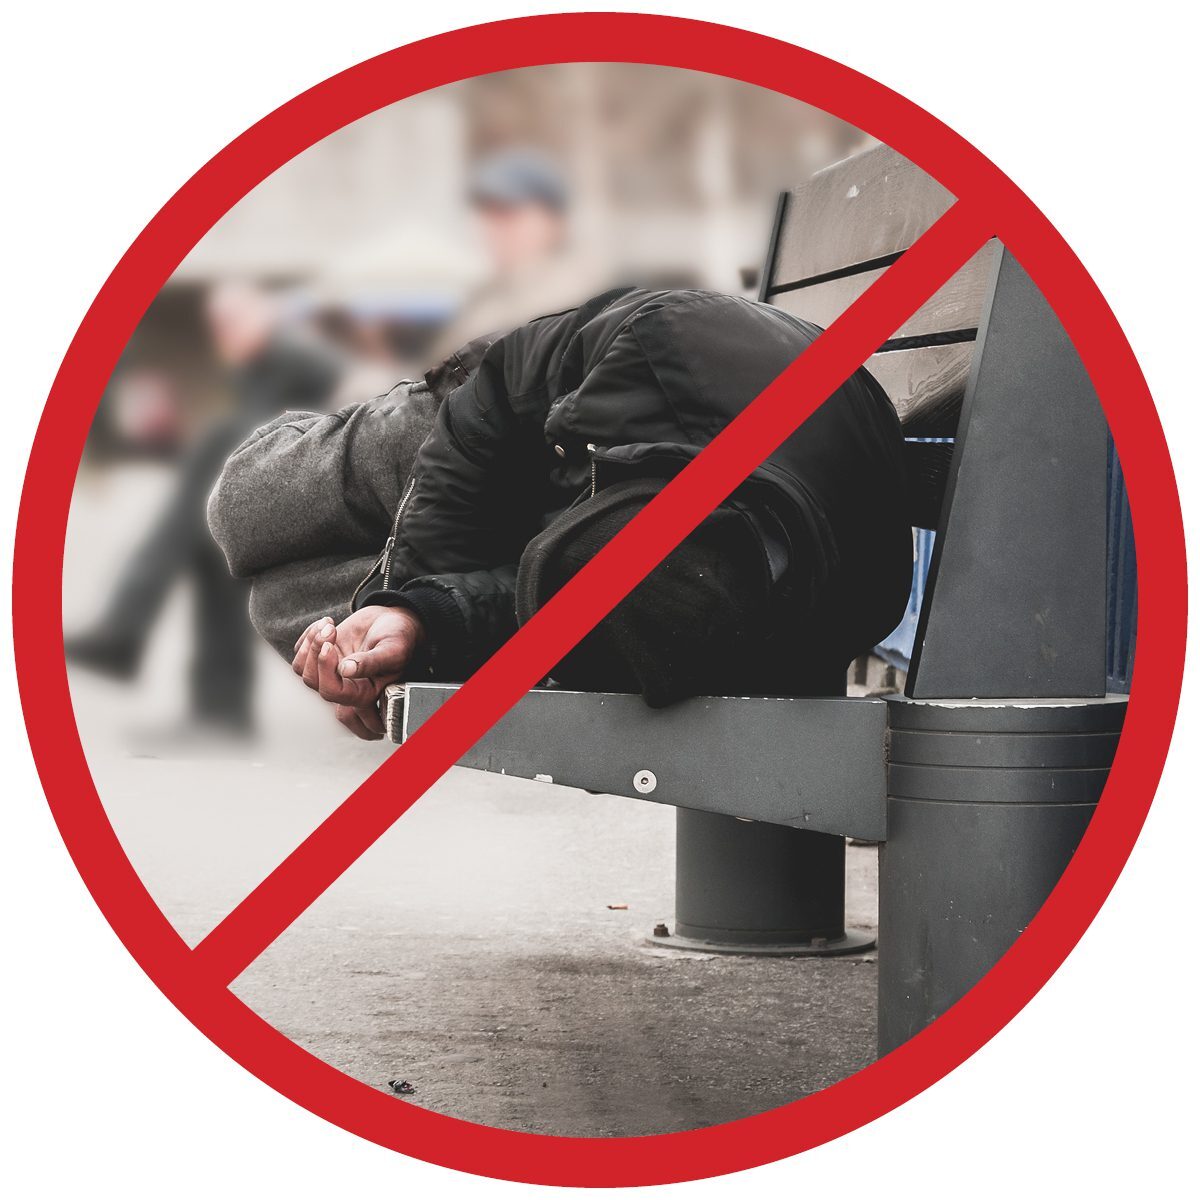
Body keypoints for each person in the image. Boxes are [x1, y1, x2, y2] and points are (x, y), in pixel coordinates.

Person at [208, 287, 913, 740]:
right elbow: (501, 384)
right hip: (509, 426)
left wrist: (421, 627)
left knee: (282, 600)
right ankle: (321, 454)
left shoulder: (746, 613)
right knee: (245, 508)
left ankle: (379, 619)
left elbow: (553, 612)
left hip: (625, 509)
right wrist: (416, 585)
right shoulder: (665, 350)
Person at [66, 280, 341, 736]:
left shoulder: (296, 360)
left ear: (263, 316)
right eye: (217, 326)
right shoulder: (262, 367)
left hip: (317, 496)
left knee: (205, 500)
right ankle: (213, 705)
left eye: (232, 322)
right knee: (208, 543)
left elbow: (279, 443)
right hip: (284, 492)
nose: (223, 335)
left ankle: (129, 631)